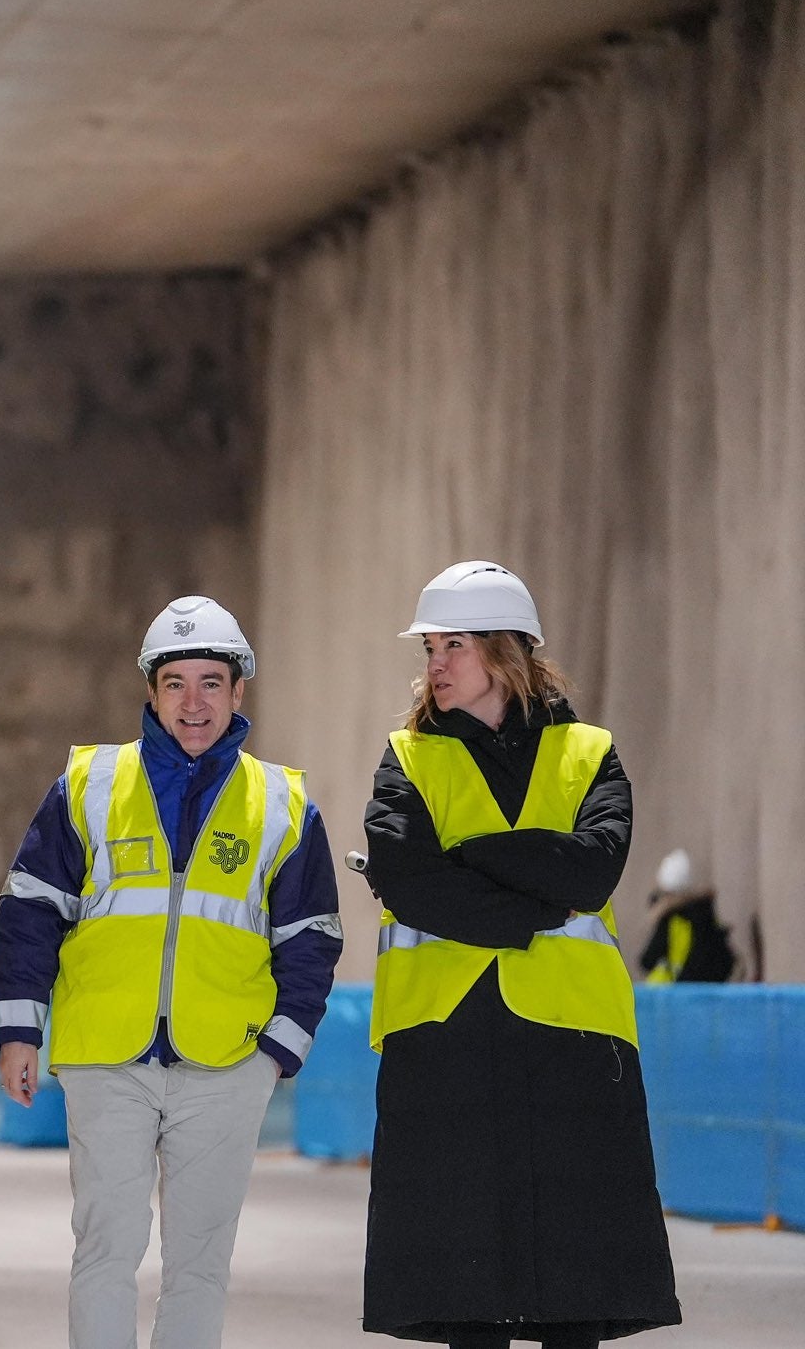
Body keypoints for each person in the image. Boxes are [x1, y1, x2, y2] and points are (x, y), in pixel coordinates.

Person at [0, 594, 342, 1349]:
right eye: (175, 682)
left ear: (238, 690)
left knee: (200, 1264)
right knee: (105, 1251)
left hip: (226, 1061)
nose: (193, 702)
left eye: (211, 682)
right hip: (105, 1055)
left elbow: (311, 935)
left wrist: (281, 1047)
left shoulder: (283, 805)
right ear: (150, 691)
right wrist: (19, 1028)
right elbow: (30, 907)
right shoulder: (86, 786)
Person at [361, 560, 680, 1347]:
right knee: (463, 1289)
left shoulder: (589, 752)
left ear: (506, 653)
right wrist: (536, 897)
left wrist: (467, 850)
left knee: (576, 1285)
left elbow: (593, 867)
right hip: (447, 1039)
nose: (435, 664)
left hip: (573, 1041)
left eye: (454, 646)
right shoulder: (409, 758)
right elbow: (408, 881)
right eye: (430, 647)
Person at [638, 849, 736, 984]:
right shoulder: (707, 915)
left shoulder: (671, 921)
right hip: (711, 995)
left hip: (682, 995)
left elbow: (647, 960)